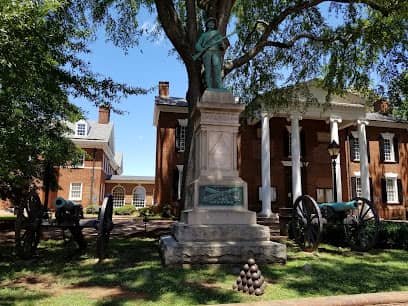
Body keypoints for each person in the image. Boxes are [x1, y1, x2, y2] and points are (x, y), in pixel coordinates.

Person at [195, 18, 229, 89]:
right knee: (208, 71)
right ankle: (209, 87)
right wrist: (202, 49)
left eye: (213, 23)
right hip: (207, 53)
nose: (212, 24)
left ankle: (220, 87)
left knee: (217, 70)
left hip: (216, 53)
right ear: (207, 25)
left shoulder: (217, 33)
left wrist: (222, 45)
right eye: (210, 23)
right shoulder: (204, 35)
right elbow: (197, 45)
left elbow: (222, 45)